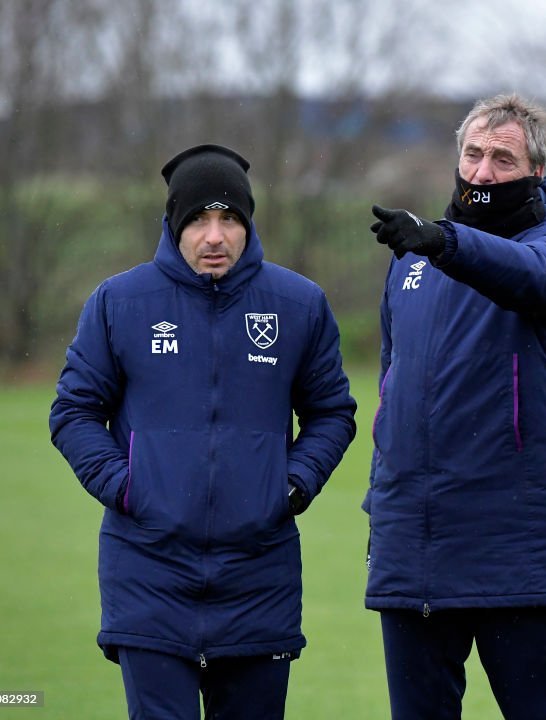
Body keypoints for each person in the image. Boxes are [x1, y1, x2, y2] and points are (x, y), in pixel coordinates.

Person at [49, 144, 357, 720]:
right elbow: (74, 412)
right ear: (173, 223)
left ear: (248, 223)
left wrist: (292, 485)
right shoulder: (120, 302)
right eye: (198, 218)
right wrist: (127, 487)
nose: (214, 236)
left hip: (258, 572)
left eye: (230, 219)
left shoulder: (298, 304)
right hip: (147, 570)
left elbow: (332, 413)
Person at [364, 93, 546, 720]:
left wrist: (445, 241)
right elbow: (392, 393)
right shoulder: (411, 263)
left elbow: (535, 278)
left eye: (503, 158)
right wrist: (379, 508)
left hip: (515, 546)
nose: (483, 172)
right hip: (414, 546)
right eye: (473, 154)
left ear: (537, 173)